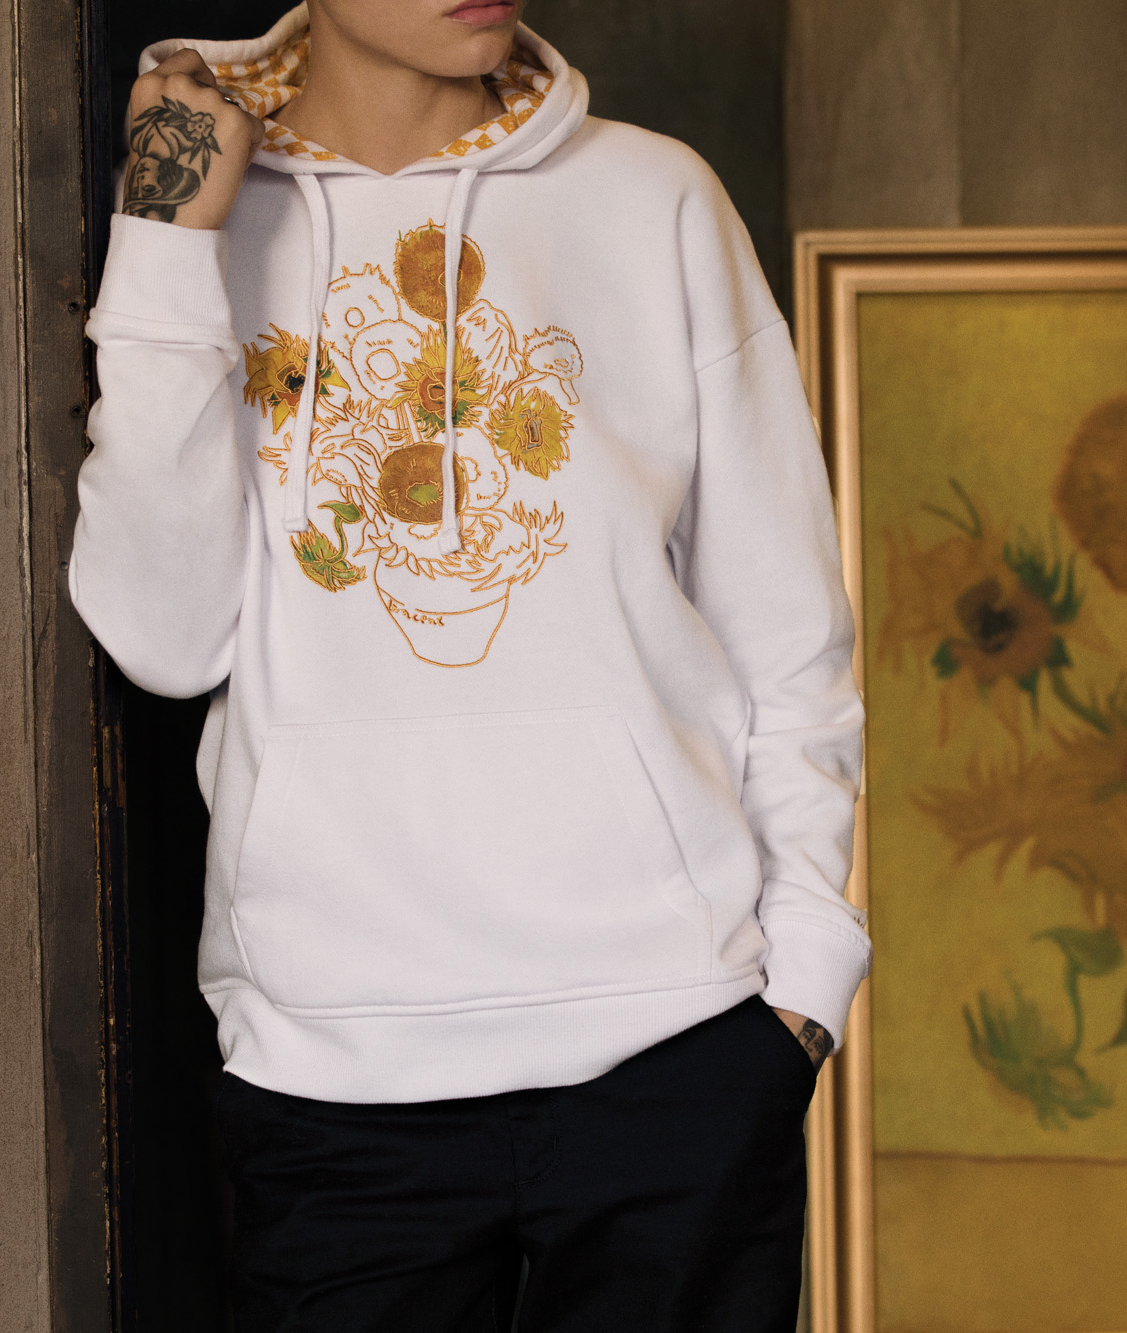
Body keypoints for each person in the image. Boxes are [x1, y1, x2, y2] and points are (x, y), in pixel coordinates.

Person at [68, 1, 869, 1327]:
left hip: (677, 1050)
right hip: (333, 1074)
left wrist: (808, 982)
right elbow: (164, 638)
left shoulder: (655, 200)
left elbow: (789, 633)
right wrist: (163, 245)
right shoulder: (200, 215)